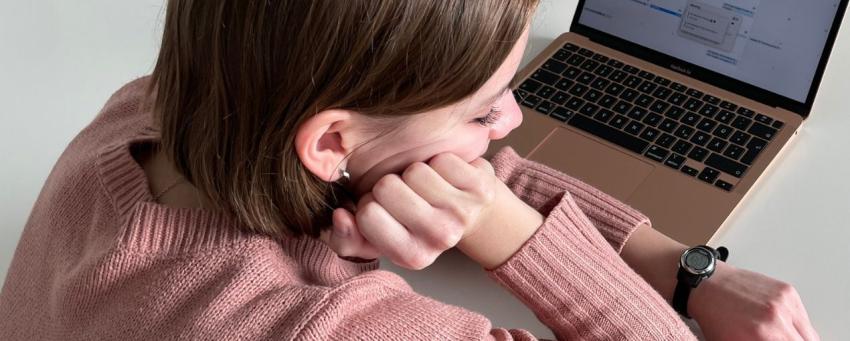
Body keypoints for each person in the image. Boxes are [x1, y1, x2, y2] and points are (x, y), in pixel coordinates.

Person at [0, 1, 818, 340]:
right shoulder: (329, 329)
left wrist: (678, 264)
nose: (513, 126)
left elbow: (443, 172)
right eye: (482, 110)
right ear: (331, 144)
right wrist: (512, 238)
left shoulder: (154, 110)